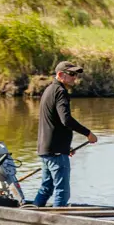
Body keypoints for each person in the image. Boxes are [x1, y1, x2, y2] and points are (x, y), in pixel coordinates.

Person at [32, 61, 97, 207]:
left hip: (47, 149)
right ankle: (57, 221)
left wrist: (65, 147)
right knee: (62, 190)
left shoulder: (49, 90)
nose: (75, 77)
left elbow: (54, 122)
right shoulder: (60, 92)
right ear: (60, 75)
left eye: (76, 74)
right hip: (55, 152)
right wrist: (88, 133)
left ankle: (32, 214)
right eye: (72, 74)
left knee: (46, 187)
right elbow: (66, 120)